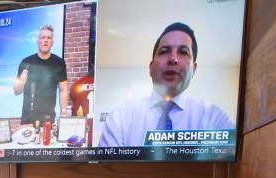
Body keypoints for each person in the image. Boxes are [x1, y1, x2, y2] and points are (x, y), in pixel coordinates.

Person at [98, 22, 235, 148]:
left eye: (183, 52)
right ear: (151, 67)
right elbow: (107, 172)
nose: (173, 59)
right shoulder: (120, 118)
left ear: (193, 69)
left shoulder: (215, 120)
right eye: (164, 51)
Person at [13, 24, 69, 126]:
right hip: (27, 120)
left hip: (48, 119)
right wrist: (21, 82)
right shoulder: (26, 62)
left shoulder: (59, 63)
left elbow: (63, 89)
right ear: (38, 41)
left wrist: (64, 113)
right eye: (43, 37)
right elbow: (16, 91)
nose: (46, 40)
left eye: (49, 38)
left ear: (52, 42)